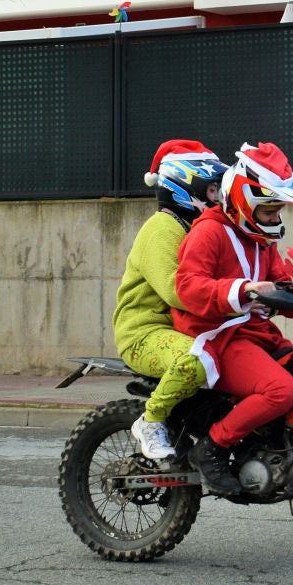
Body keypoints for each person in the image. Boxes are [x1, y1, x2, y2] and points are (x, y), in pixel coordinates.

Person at [173, 142, 293, 495]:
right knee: (281, 390)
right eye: (269, 209)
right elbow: (188, 286)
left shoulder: (261, 239)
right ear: (245, 202)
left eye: (278, 209)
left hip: (252, 334)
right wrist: (243, 290)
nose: (275, 217)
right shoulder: (209, 232)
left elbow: (282, 287)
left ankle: (266, 447)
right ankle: (211, 449)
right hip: (218, 334)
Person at [113, 141, 228, 462]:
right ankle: (151, 420)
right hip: (144, 334)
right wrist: (234, 295)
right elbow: (176, 290)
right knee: (195, 359)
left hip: (184, 327)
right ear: (186, 186)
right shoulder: (163, 228)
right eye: (213, 190)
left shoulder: (195, 227)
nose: (219, 198)